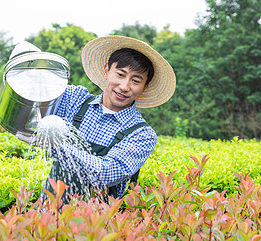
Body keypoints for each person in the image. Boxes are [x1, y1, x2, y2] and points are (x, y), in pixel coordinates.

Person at [17, 36, 176, 205]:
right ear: (107, 70)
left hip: (96, 225)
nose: (124, 86)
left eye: (135, 81)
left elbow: (105, 174)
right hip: (48, 217)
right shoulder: (75, 100)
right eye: (120, 74)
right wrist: (31, 71)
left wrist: (56, 146)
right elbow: (35, 100)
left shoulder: (142, 134)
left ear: (146, 86)